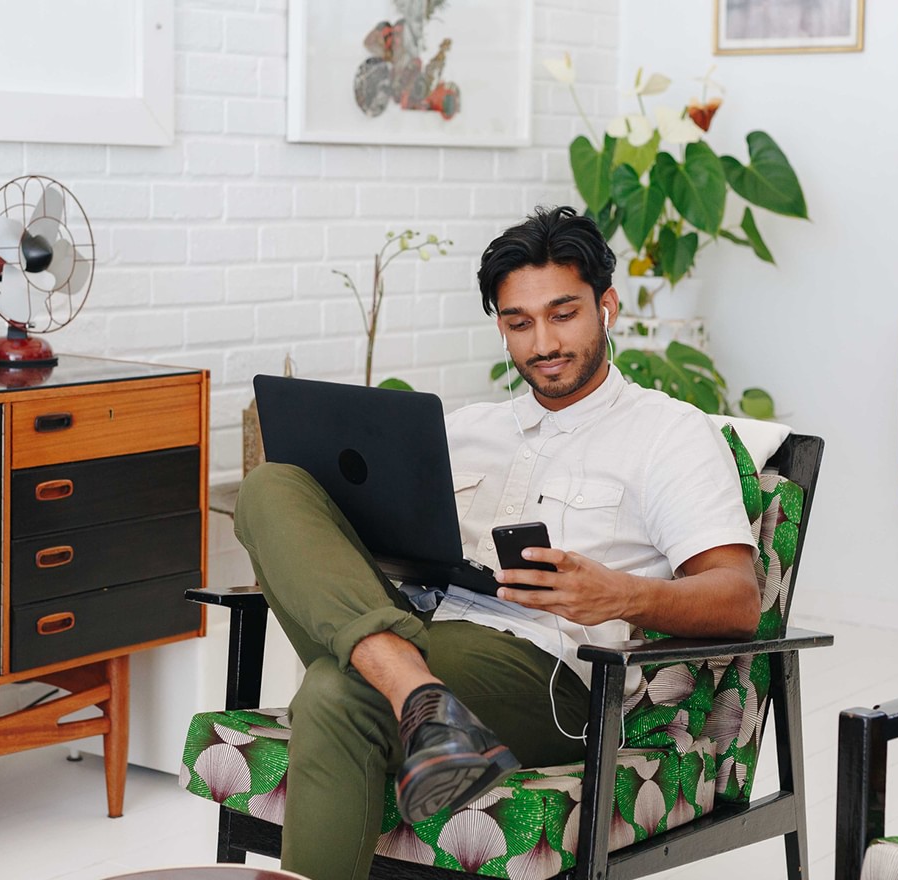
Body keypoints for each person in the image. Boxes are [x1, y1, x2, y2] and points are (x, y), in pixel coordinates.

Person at [231, 205, 759, 880]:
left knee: (337, 692)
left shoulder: (669, 435)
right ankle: (422, 699)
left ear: (608, 307)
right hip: (416, 629)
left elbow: (738, 599)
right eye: (518, 323)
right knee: (269, 486)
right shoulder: (462, 429)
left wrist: (618, 593)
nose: (543, 342)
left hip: (546, 678)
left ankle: (411, 695)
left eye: (563, 314)